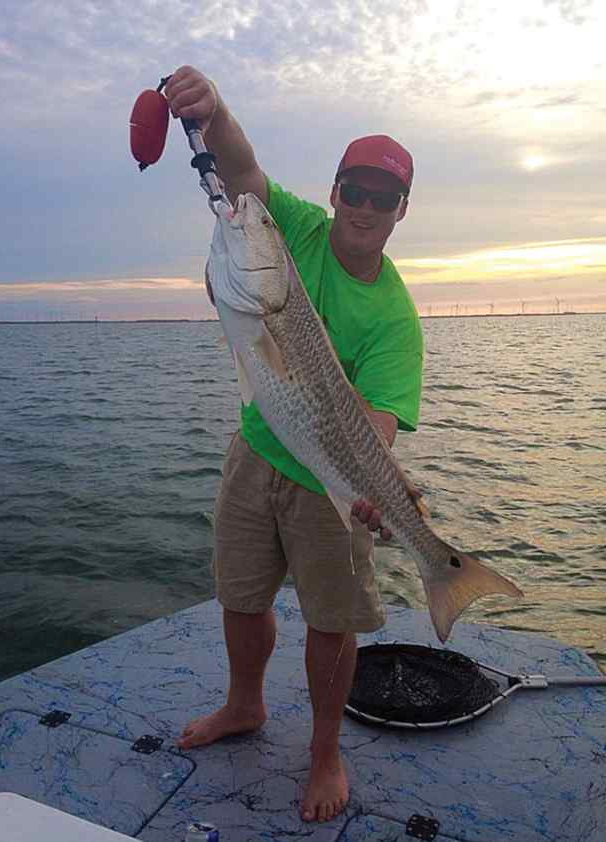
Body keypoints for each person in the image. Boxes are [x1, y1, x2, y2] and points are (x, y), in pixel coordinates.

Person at [165, 66, 424, 824]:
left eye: (384, 197)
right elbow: (241, 172)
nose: (365, 207)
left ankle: (324, 753)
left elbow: (377, 423)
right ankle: (244, 705)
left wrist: (370, 488)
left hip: (332, 479)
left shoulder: (394, 319)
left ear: (401, 210)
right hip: (257, 452)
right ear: (335, 191)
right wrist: (214, 109)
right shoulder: (295, 228)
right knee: (240, 596)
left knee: (330, 621)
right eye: (356, 189)